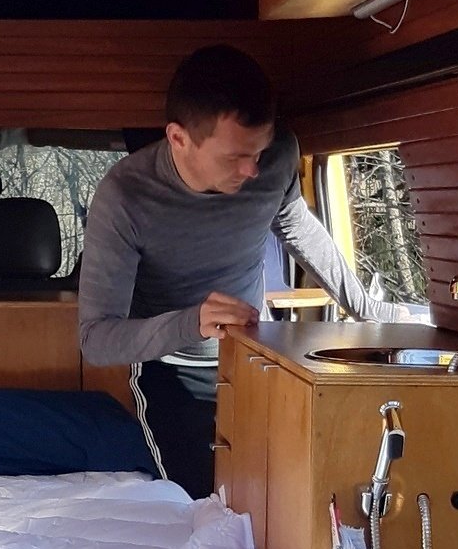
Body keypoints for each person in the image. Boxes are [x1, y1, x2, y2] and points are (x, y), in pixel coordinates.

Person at [78, 43, 375, 495]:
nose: (252, 170)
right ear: (178, 139)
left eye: (259, 152)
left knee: (293, 496)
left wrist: (369, 311)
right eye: (234, 157)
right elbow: (96, 338)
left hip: (261, 355)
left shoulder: (278, 157)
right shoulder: (124, 197)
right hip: (175, 368)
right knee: (200, 501)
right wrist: (191, 322)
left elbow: (296, 226)